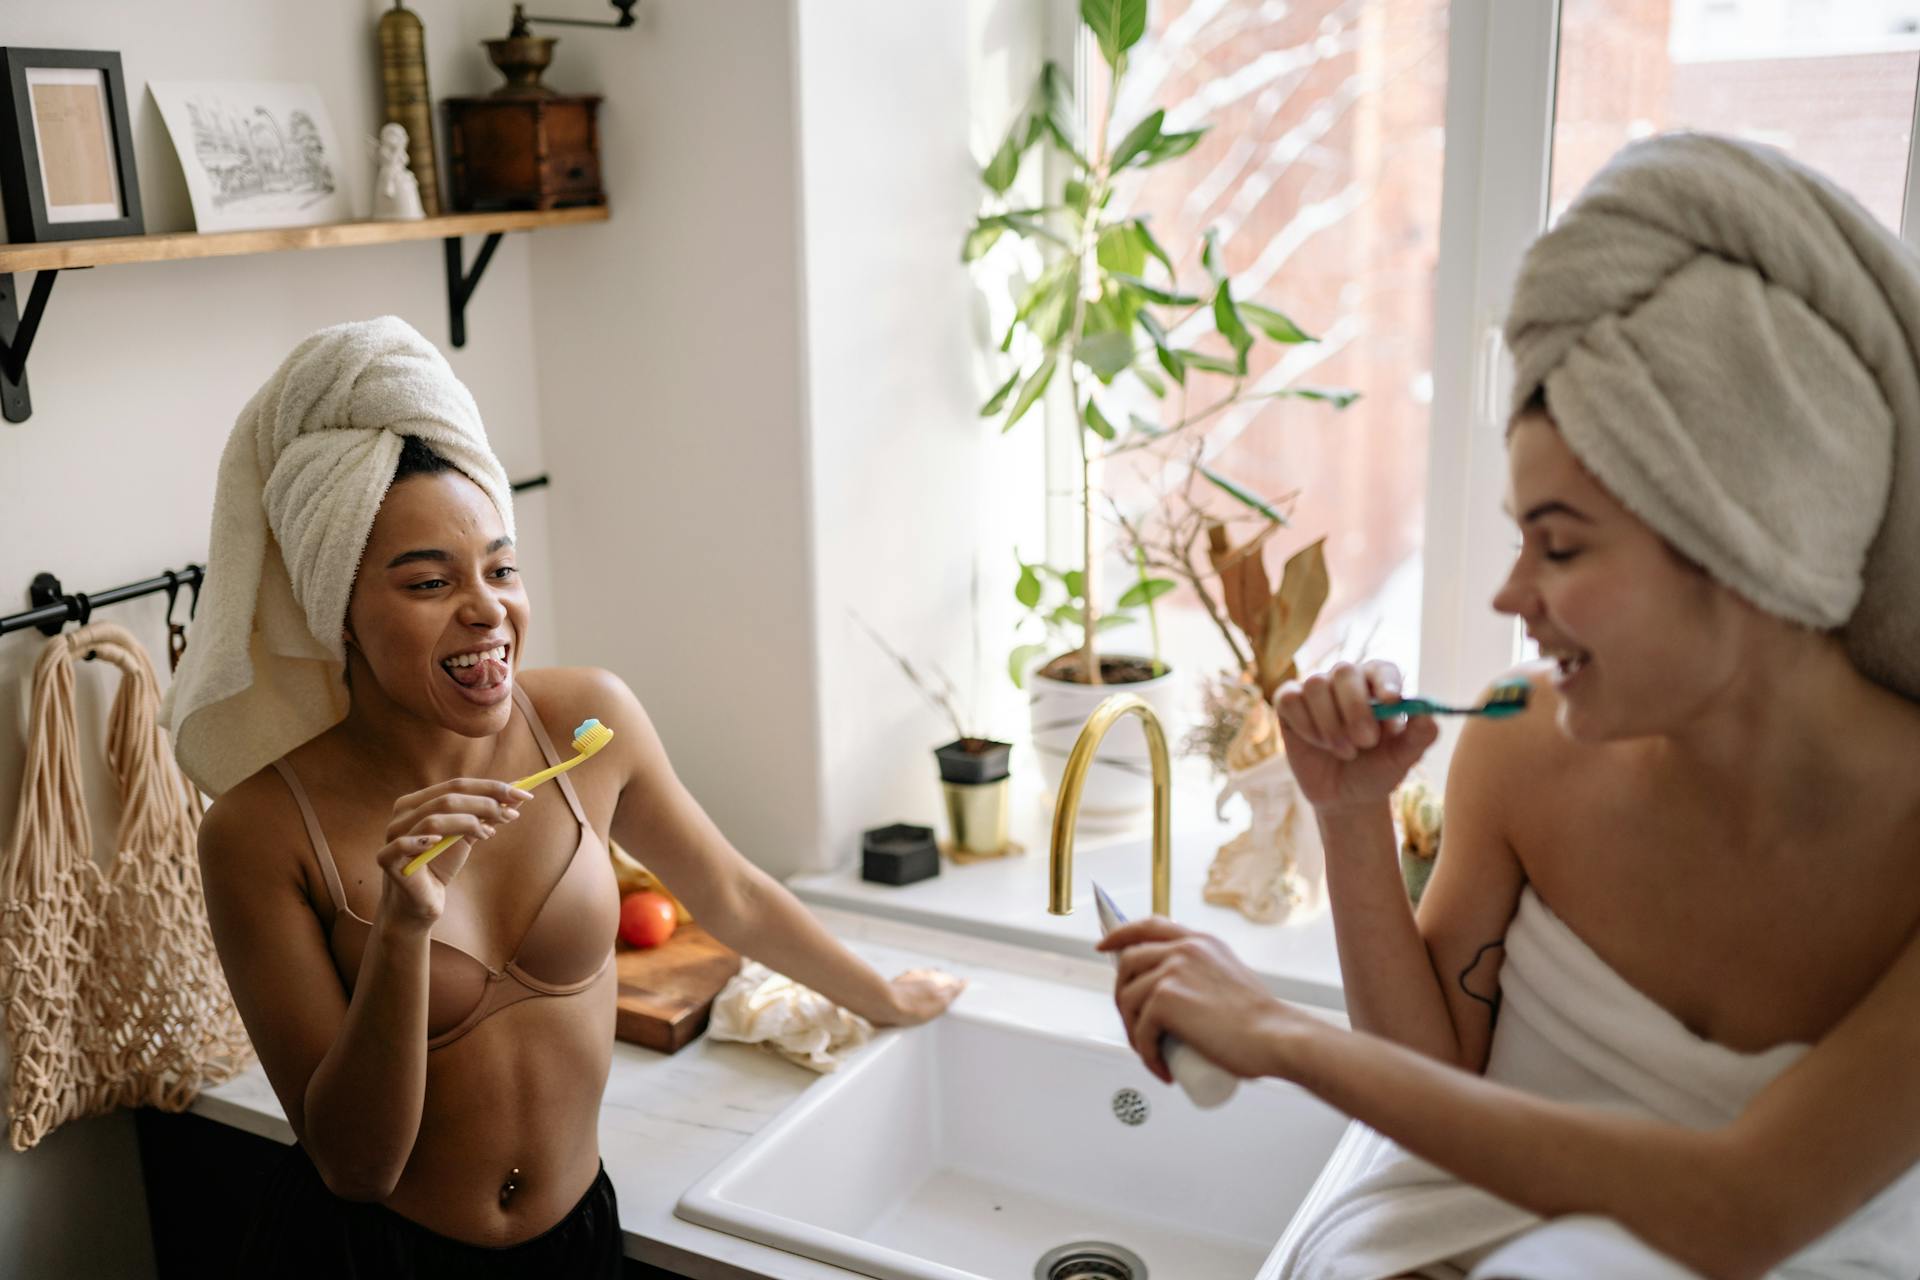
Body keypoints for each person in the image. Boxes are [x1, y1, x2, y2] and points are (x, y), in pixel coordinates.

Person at [1099, 133, 1920, 1279]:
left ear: (1745, 546)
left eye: (1560, 543)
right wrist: (1350, 815)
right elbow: (1427, 1078)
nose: (1509, 593)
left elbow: (1744, 1209)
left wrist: (1278, 1032)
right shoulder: (1525, 741)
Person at [165, 316, 962, 1278]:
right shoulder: (258, 831)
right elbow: (356, 1164)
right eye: (428, 583)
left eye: (501, 569)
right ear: (337, 610)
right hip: (370, 1257)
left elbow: (731, 894)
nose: (487, 609)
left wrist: (882, 995)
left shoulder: (587, 721)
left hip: (580, 1242)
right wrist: (404, 933)